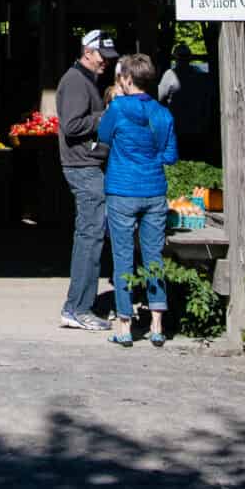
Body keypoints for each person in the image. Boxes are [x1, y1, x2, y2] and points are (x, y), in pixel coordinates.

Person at [99, 53, 178, 348]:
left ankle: (125, 324)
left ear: (128, 80)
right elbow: (170, 156)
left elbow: (103, 138)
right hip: (155, 190)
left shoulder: (117, 109)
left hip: (121, 189)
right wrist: (150, 160)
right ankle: (157, 323)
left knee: (123, 258)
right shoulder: (163, 114)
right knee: (153, 256)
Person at [56, 29, 118, 331]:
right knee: (90, 237)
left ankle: (77, 306)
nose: (106, 62)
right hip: (83, 166)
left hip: (85, 165)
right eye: (102, 56)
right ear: (87, 52)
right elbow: (71, 125)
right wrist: (104, 116)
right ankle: (79, 308)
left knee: (90, 236)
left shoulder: (84, 80)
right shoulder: (75, 81)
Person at [157, 44, 213, 159]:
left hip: (177, 128)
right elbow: (207, 100)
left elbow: (159, 97)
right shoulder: (199, 75)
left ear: (175, 57)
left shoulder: (169, 75)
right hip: (196, 128)